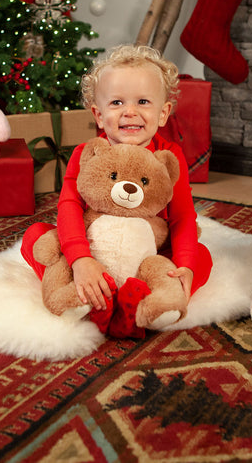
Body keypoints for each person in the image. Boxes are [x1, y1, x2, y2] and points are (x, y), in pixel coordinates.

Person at [20, 44, 212, 321]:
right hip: (95, 250)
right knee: (36, 236)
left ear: (163, 113)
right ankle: (83, 289)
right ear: (99, 115)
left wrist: (186, 265)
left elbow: (182, 217)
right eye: (117, 103)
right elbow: (69, 207)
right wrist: (80, 259)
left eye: (143, 102)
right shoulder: (86, 154)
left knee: (199, 256)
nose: (130, 111)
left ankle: (153, 298)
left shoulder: (170, 156)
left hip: (148, 253)